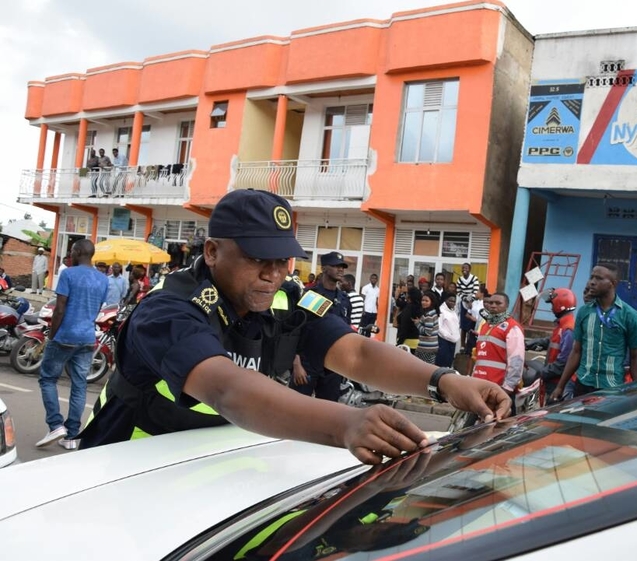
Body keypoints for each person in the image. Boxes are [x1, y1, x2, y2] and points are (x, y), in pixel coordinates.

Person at [78, 190, 510, 463]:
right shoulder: (168, 310)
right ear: (211, 252)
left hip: (213, 463)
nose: (272, 273)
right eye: (256, 258)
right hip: (124, 466)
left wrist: (445, 381)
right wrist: (346, 423)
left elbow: (356, 353)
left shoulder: (285, 300)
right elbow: (229, 391)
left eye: (282, 260)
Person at [36, 239, 109, 450]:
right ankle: (71, 435)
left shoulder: (68, 274)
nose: (70, 254)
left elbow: (59, 309)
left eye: (72, 251)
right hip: (87, 338)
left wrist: (52, 335)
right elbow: (97, 309)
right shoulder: (103, 279)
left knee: (48, 379)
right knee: (79, 384)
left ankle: (55, 425)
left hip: (65, 336)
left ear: (77, 252)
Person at [550, 263, 637, 401]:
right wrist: (560, 386)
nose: (592, 282)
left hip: (612, 387)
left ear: (613, 283)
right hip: (583, 384)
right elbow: (576, 351)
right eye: (592, 277)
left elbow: (635, 356)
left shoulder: (630, 315)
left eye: (599, 278)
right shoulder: (584, 312)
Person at [290, 252, 352, 401]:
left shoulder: (344, 299)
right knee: (297, 406)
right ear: (324, 268)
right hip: (308, 363)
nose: (340, 269)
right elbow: (295, 330)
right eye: (335, 266)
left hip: (333, 366)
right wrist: (296, 364)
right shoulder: (310, 295)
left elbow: (346, 334)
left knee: (329, 409)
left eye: (342, 266)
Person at [472, 292, 525, 413]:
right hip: (481, 384)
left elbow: (516, 361)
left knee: (503, 422)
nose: (493, 305)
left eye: (498, 303)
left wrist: (507, 388)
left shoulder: (512, 328)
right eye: (491, 302)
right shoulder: (485, 326)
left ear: (506, 306)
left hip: (500, 388)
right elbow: (479, 358)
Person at [527, 288, 577, 400]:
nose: (551, 308)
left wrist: (543, 373)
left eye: (552, 305)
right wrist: (534, 343)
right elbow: (554, 341)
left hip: (559, 383)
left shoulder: (568, 329)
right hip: (554, 380)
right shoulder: (562, 325)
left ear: (559, 305)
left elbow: (563, 362)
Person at [456, 263, 479, 351]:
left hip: (473, 303)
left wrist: (471, 300)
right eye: (463, 268)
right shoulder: (459, 279)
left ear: (469, 269)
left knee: (471, 325)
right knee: (463, 325)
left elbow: (475, 290)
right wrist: (465, 300)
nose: (464, 269)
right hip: (464, 303)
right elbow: (459, 291)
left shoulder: (474, 278)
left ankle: (469, 345)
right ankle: (462, 345)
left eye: (466, 268)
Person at [414, 291, 440, 364]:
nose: (423, 302)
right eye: (422, 300)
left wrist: (417, 324)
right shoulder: (433, 313)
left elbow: (428, 332)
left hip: (426, 348)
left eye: (426, 301)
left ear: (432, 302)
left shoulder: (428, 315)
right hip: (433, 346)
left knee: (421, 367)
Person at [435, 291, 459, 368]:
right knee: (441, 364)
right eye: (450, 301)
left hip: (452, 342)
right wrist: (448, 336)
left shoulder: (453, 312)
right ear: (445, 300)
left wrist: (455, 337)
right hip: (443, 341)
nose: (452, 303)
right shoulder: (441, 311)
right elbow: (438, 327)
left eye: (454, 301)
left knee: (449, 363)